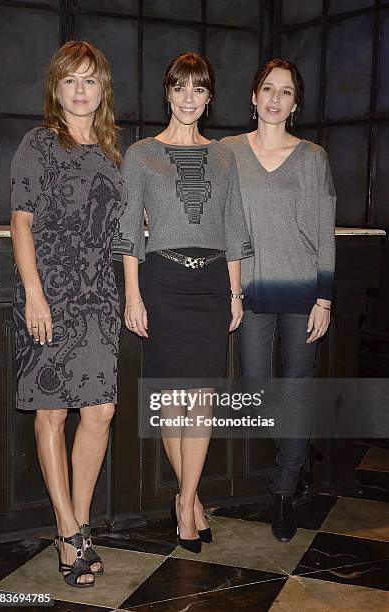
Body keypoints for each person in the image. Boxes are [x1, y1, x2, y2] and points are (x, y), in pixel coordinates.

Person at [117, 52, 254, 554]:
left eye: (199, 89)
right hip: (162, 284)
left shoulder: (224, 156)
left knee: (201, 402)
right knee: (174, 404)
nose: (189, 98)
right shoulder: (141, 154)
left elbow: (235, 228)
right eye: (181, 88)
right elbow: (129, 229)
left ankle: (186, 501)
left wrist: (235, 291)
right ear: (167, 93)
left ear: (209, 98)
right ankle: (189, 501)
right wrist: (132, 294)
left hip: (212, 286)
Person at [10, 41, 125, 586]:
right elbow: (22, 220)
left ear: (102, 90)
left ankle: (77, 523)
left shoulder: (108, 151)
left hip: (99, 297)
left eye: (91, 81)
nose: (81, 91)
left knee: (99, 412)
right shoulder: (39, 143)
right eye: (70, 81)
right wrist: (34, 292)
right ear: (56, 89)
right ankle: (67, 531)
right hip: (50, 293)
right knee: (53, 412)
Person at [222, 58, 336, 542]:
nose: (274, 98)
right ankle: (298, 449)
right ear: (253, 96)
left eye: (285, 92)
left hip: (301, 292)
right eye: (267, 88)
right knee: (254, 387)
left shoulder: (312, 157)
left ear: (295, 103)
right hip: (248, 291)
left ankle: (284, 489)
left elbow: (323, 234)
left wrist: (324, 299)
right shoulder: (226, 151)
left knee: (295, 387)